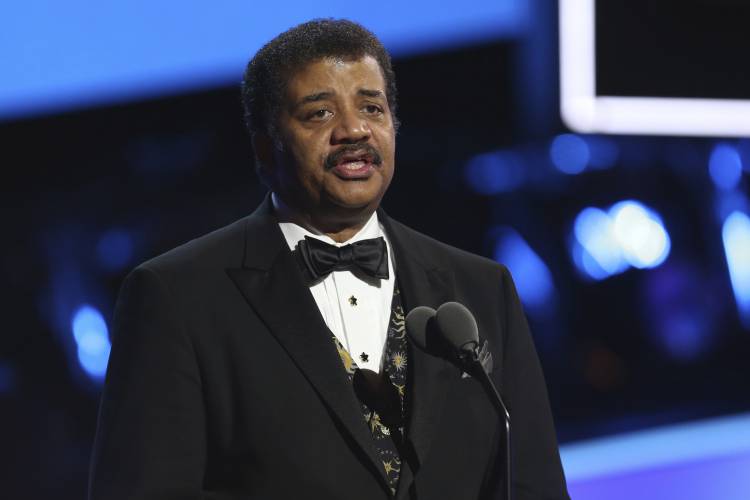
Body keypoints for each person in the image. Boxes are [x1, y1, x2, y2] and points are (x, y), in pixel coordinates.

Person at [88, 18, 569, 500]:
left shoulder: (482, 289)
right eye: (319, 113)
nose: (354, 129)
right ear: (264, 146)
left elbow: (533, 485)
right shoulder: (177, 297)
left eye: (371, 107)